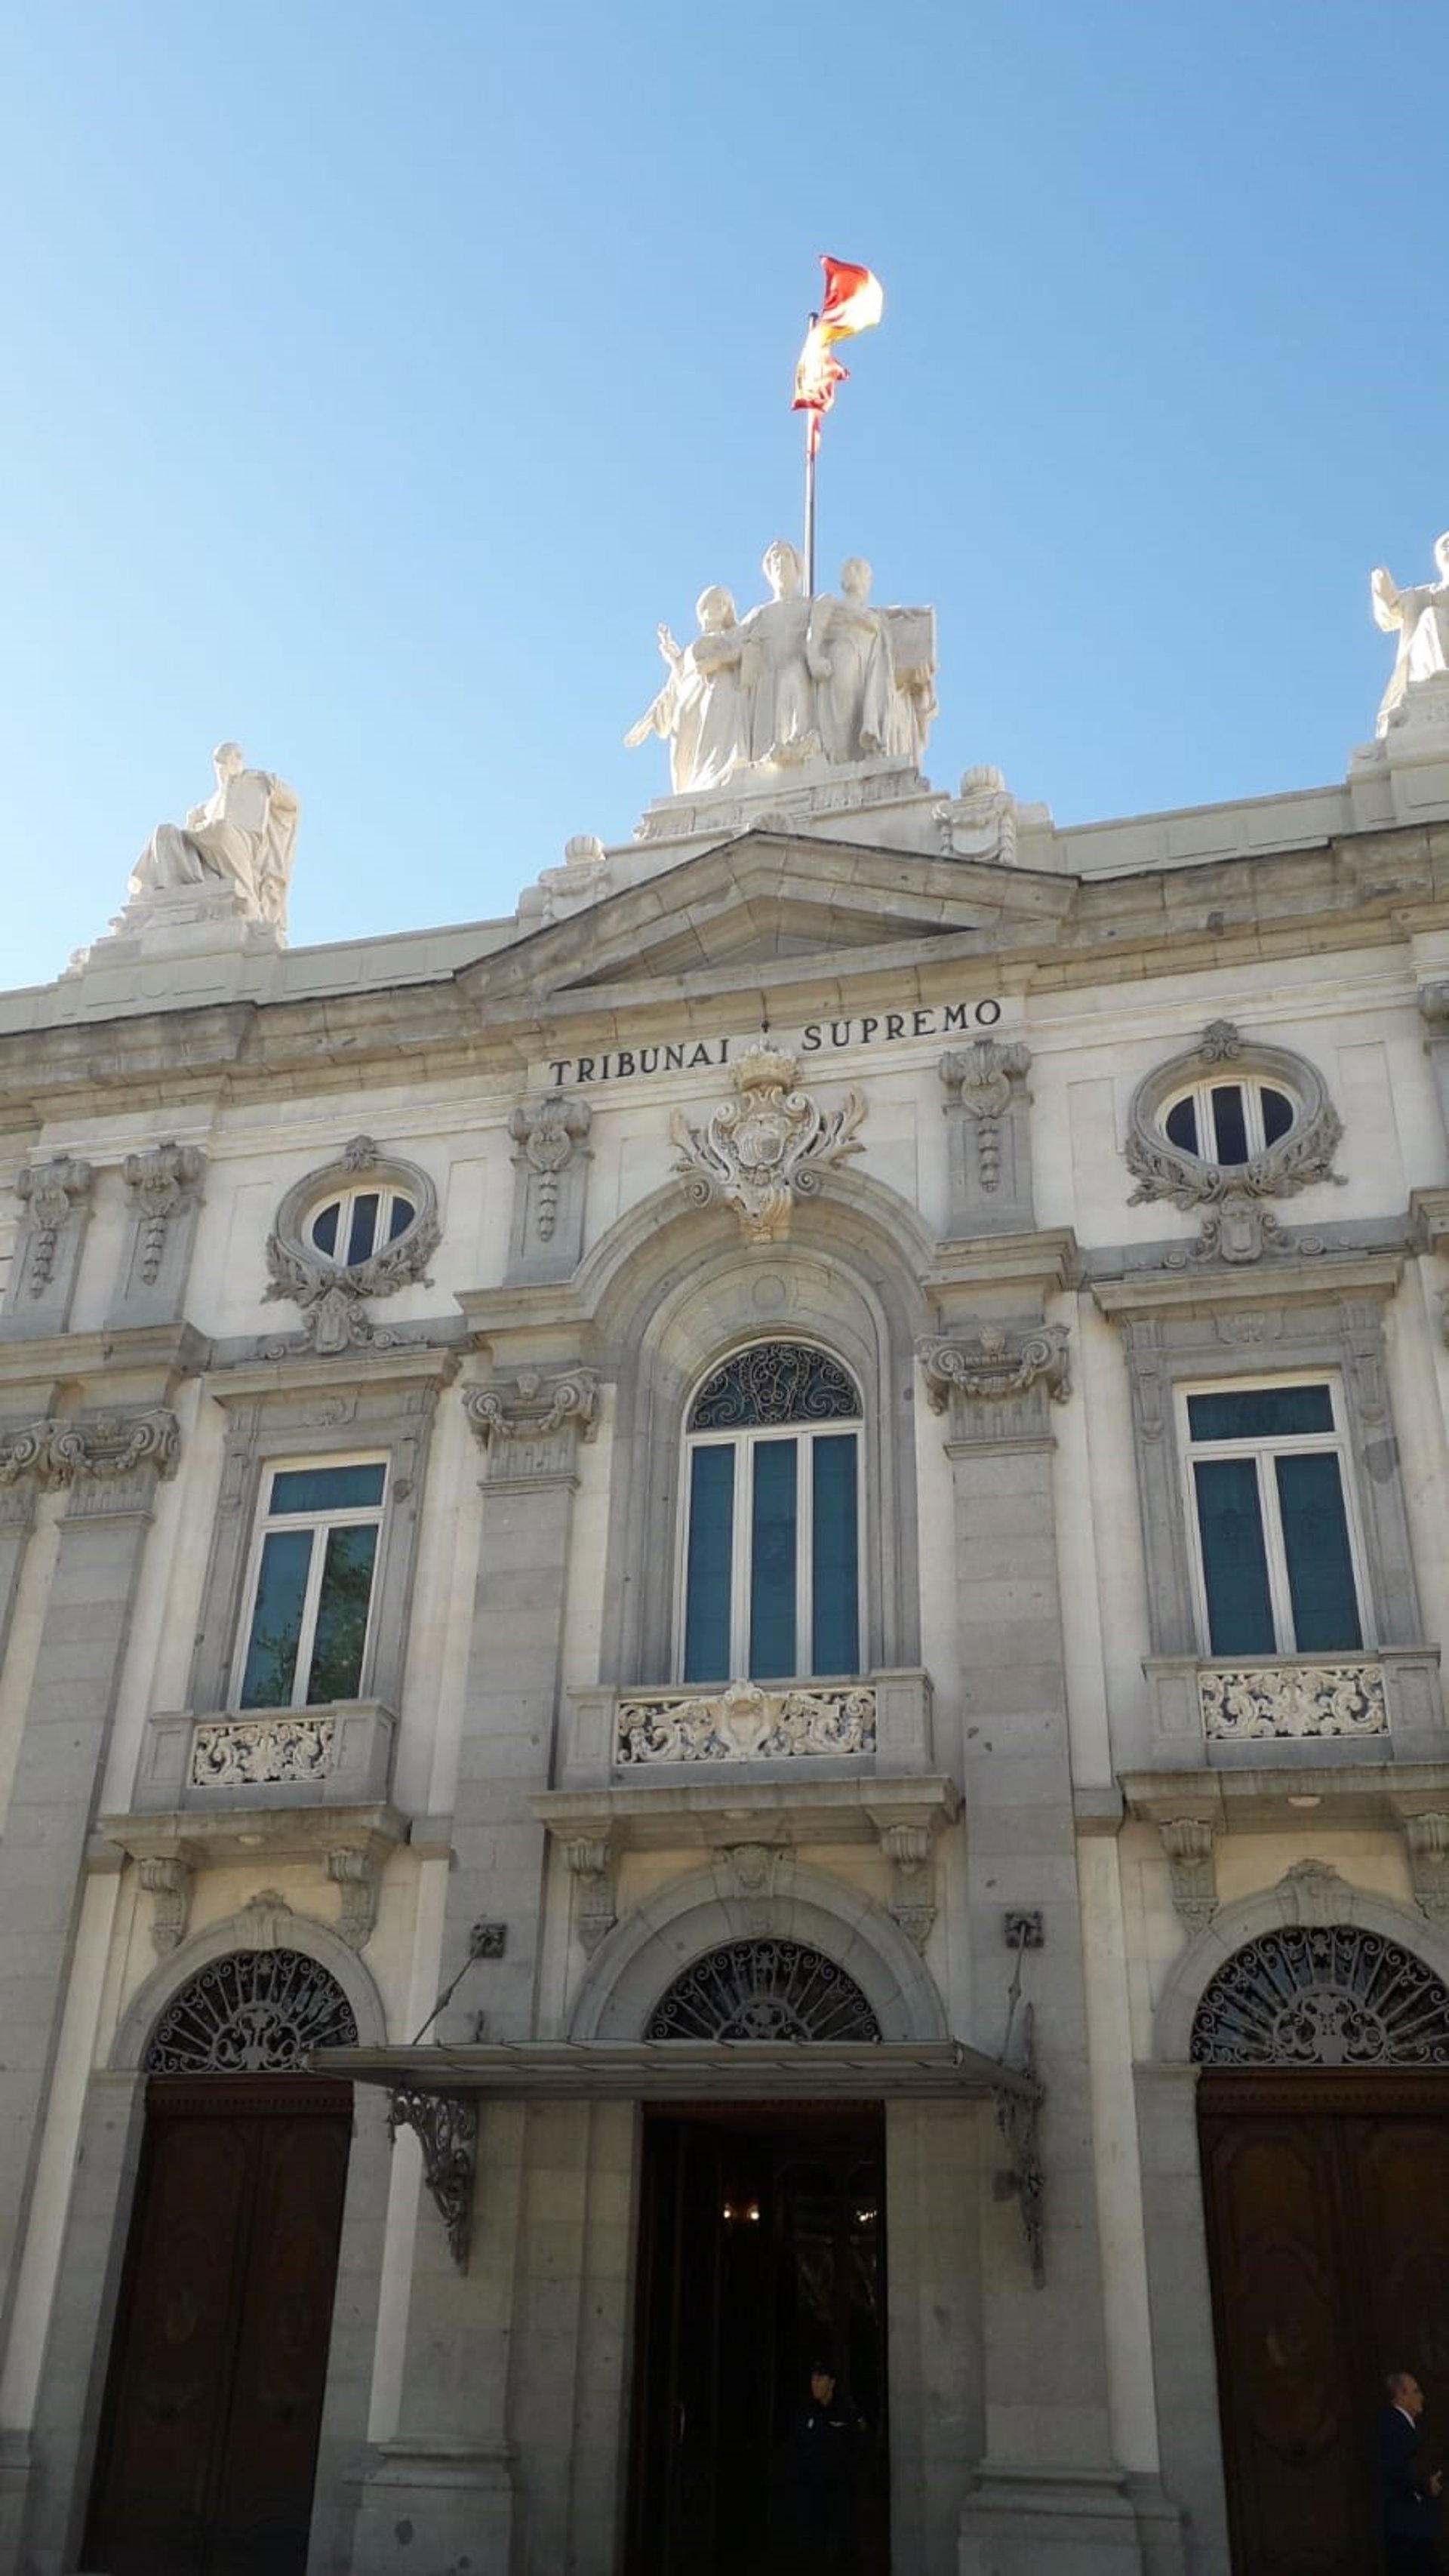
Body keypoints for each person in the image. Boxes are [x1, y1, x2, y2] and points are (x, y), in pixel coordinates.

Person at [132, 741, 299, 924]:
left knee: (220, 830)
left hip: (242, 844)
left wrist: (272, 783)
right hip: (205, 843)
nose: (233, 761)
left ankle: (246, 898)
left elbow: (291, 805)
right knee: (164, 832)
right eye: (226, 758)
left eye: (237, 756)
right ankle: (167, 895)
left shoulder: (256, 782)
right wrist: (195, 819)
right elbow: (195, 826)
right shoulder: (209, 804)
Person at [623, 586, 750, 795]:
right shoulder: (690, 649)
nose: (720, 605)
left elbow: (744, 654)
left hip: (717, 694)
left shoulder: (733, 635)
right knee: (682, 756)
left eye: (724, 603)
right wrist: (647, 722)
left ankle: (716, 781)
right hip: (688, 701)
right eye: (715, 600)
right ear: (703, 609)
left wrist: (719, 661)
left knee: (715, 748)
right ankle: (686, 793)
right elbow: (675, 683)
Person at [787, 2362, 861, 2574]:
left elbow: (857, 2445)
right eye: (813, 2379)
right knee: (813, 2545)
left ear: (832, 2383)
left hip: (839, 2491)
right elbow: (797, 2448)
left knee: (842, 2545)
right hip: (812, 2491)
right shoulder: (806, 2412)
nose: (815, 2384)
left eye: (820, 2379)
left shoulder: (846, 2412)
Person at [1372, 534, 1449, 734]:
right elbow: (1392, 612)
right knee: (1431, 617)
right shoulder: (1427, 594)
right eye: (1446, 545)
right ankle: (1437, 678)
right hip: (1436, 655)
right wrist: (1382, 586)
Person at [1376, 2368, 1443, 2575]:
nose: (1421, 2397)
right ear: (1400, 2394)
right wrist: (1425, 2485)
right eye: (1416, 2391)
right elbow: (1396, 2469)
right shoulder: (1394, 2425)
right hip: (1406, 2525)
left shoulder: (1399, 2424)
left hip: (1408, 2524)